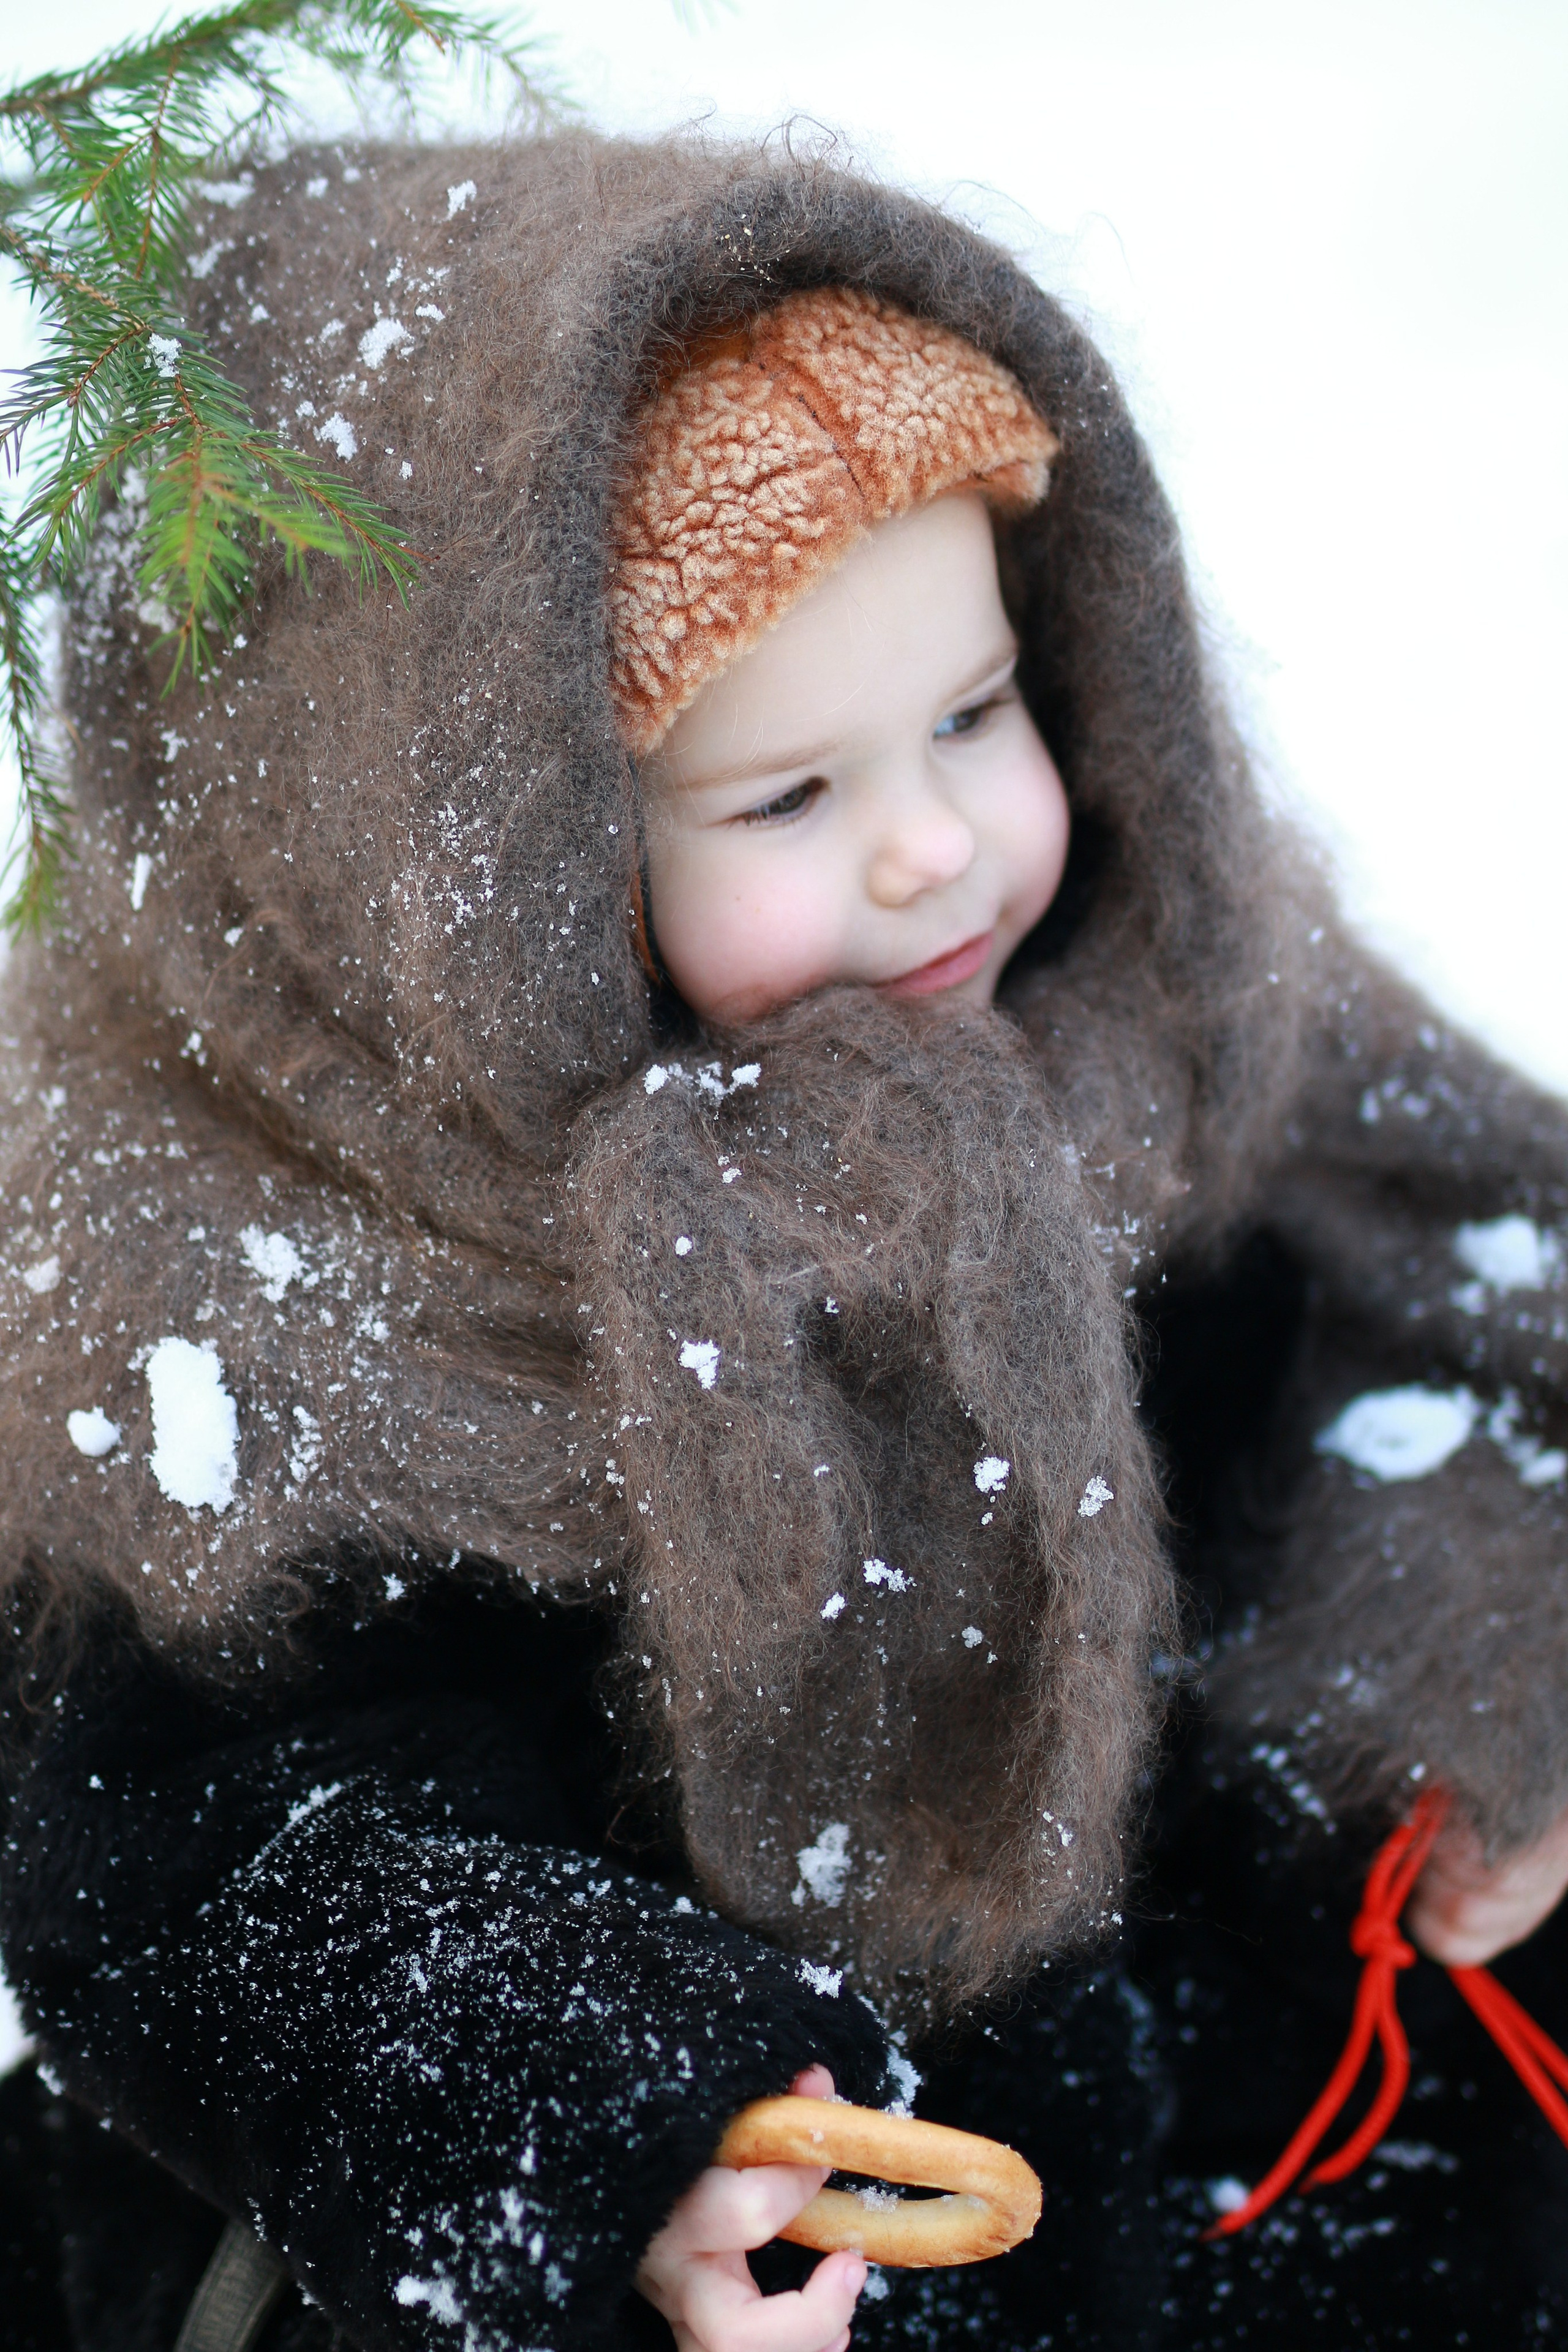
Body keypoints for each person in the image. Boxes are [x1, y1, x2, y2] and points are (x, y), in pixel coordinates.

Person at [2, 130, 1567, 2352]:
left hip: (1263, 2179)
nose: (934, 846)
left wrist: (1473, 1679)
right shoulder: (282, 1327)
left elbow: (1445, 1346)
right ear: (492, 893)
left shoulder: (1163, 1024)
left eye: (976, 711)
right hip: (804, 2266)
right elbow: (223, 1874)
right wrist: (624, 2128)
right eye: (787, 796)